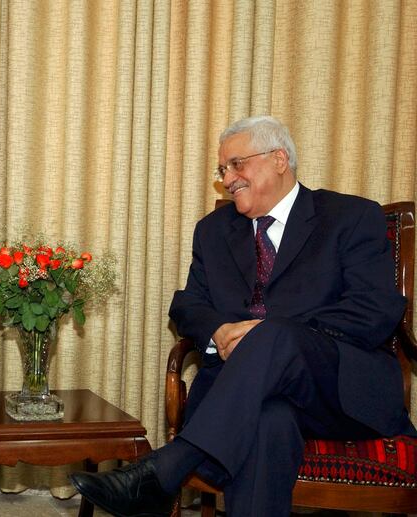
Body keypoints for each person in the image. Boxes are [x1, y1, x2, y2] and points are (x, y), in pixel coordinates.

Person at [70, 115, 416, 516]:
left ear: (279, 159)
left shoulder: (349, 217)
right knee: (269, 422)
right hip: (243, 397)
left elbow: (374, 309)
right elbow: (187, 305)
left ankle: (167, 468)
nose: (228, 178)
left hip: (337, 388)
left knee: (274, 336)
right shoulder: (214, 231)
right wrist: (218, 330)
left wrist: (273, 335)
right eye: (222, 170)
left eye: (237, 164)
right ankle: (163, 474)